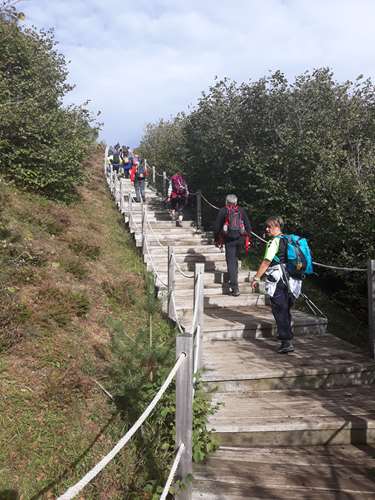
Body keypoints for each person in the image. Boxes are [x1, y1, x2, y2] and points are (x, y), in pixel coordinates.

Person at [250, 216, 302, 354]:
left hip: (278, 279)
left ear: (277, 227)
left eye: (269, 227)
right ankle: (286, 336)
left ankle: (286, 341)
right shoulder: (288, 239)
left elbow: (266, 262)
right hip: (291, 280)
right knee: (285, 309)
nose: (267, 229)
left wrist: (256, 277)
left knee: (280, 310)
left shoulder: (274, 242)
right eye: (266, 227)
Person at [213, 194, 251, 296]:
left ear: (226, 202)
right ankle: (234, 278)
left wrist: (217, 239)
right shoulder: (241, 210)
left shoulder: (223, 211)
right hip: (240, 239)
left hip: (229, 240)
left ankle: (235, 287)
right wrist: (246, 238)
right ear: (236, 202)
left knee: (231, 262)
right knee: (235, 260)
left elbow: (216, 227)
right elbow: (248, 226)